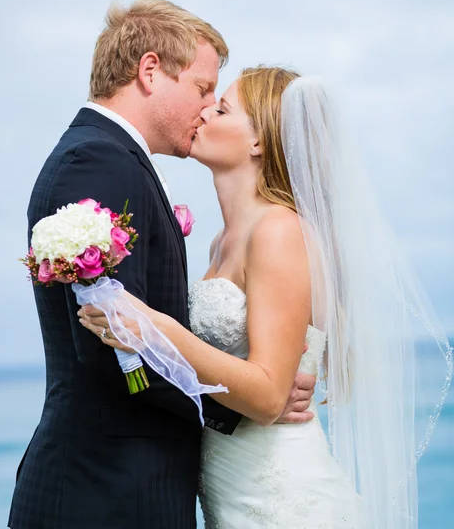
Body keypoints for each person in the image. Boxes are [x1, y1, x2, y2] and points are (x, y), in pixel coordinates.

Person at [80, 66, 453, 528]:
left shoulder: (277, 230)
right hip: (229, 483)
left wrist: (158, 331)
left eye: (222, 108)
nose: (203, 111)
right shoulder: (221, 242)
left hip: (281, 495)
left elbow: (269, 395)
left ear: (258, 142)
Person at [8, 0, 316, 529]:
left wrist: (264, 383)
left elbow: (143, 327)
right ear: (150, 71)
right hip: (104, 493)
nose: (205, 108)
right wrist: (241, 406)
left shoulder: (112, 159)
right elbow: (111, 347)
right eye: (202, 90)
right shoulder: (98, 161)